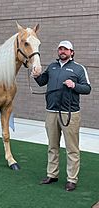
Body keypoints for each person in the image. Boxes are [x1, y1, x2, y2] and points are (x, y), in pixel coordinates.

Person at [32, 40, 91, 191]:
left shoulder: (78, 69)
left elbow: (87, 88)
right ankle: (52, 174)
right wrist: (36, 75)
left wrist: (74, 85)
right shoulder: (52, 67)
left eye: (65, 49)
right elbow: (42, 82)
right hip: (51, 112)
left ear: (72, 52)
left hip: (70, 113)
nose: (62, 51)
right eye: (60, 49)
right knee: (52, 146)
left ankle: (72, 179)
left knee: (72, 148)